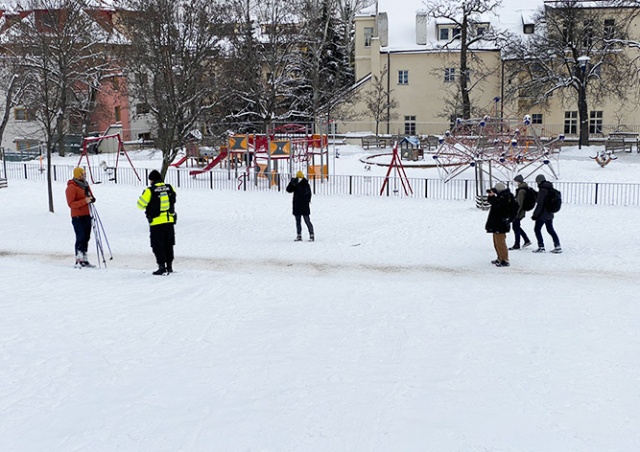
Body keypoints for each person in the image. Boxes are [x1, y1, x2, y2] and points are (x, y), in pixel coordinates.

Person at [137, 170, 177, 275]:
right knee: (169, 244)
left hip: (156, 222)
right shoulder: (169, 187)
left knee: (158, 245)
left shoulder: (150, 191)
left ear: (152, 180)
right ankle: (169, 266)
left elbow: (140, 205)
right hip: (169, 221)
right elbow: (173, 200)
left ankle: (161, 267)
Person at [65, 167, 96, 267]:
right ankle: (79, 259)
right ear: (78, 175)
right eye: (83, 174)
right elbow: (71, 204)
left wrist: (92, 199)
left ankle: (84, 259)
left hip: (87, 215)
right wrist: (84, 201)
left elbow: (90, 195)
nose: (84, 175)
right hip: (77, 217)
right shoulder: (71, 187)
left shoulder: (85, 185)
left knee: (86, 237)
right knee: (80, 237)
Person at [485, 182, 515, 267]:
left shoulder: (505, 197)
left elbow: (498, 207)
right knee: (496, 242)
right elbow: (494, 203)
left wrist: (494, 197)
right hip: (497, 223)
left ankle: (504, 259)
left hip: (501, 223)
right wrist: (491, 196)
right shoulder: (502, 196)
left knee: (500, 242)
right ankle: (500, 257)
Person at [531, 174, 562, 254]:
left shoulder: (542, 190)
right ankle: (557, 245)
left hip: (542, 214)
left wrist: (535, 215)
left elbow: (540, 204)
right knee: (550, 230)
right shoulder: (550, 188)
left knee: (537, 229)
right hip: (550, 213)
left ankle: (541, 247)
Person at [286, 170, 314, 242]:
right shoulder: (295, 183)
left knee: (307, 221)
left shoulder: (305, 184)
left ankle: (311, 235)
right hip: (297, 205)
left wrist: (297, 185)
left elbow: (304, 192)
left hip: (304, 205)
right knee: (298, 221)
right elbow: (288, 190)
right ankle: (299, 235)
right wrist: (291, 183)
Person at [510, 174, 532, 250]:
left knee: (515, 227)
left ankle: (517, 244)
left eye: (515, 181)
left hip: (519, 213)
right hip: (520, 212)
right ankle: (526, 240)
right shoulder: (522, 189)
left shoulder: (521, 191)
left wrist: (515, 212)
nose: (514, 183)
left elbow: (519, 203)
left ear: (519, 182)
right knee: (517, 226)